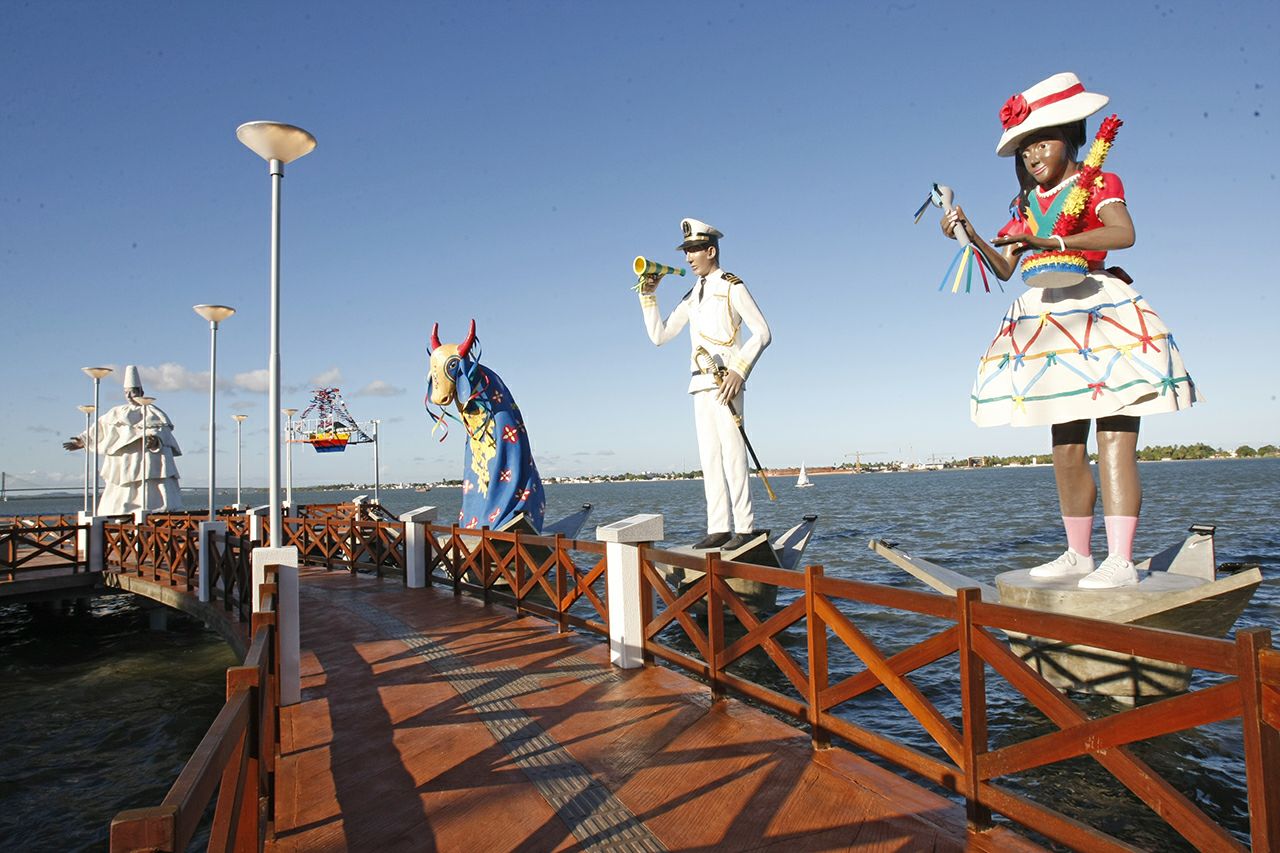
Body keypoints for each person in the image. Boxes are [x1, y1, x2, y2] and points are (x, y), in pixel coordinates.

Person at [941, 73, 1198, 589]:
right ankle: (1079, 554)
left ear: (1071, 136)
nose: (1032, 156)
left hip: (1102, 312)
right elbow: (1007, 268)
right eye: (1023, 149)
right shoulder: (1023, 203)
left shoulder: (1099, 182)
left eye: (1041, 142)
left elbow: (1123, 233)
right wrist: (966, 232)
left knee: (1115, 436)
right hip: (1049, 321)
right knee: (1065, 443)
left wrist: (1052, 239)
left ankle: (1120, 559)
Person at [638, 218, 772, 551]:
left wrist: (740, 371)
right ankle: (719, 527)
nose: (688, 257)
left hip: (727, 380)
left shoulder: (731, 286)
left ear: (711, 250)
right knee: (710, 457)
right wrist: (648, 298)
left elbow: (763, 332)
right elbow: (660, 336)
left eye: (694, 250)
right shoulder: (691, 295)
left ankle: (745, 527)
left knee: (733, 455)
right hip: (699, 384)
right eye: (687, 250)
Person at [64, 365, 183, 515]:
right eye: (126, 392)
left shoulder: (153, 412)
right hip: (123, 461)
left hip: (146, 461)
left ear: (141, 392)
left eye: (132, 392)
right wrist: (82, 440)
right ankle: (121, 514)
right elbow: (99, 428)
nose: (128, 396)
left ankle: (153, 512)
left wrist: (154, 441)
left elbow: (163, 433)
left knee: (148, 488)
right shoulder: (116, 412)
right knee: (121, 491)